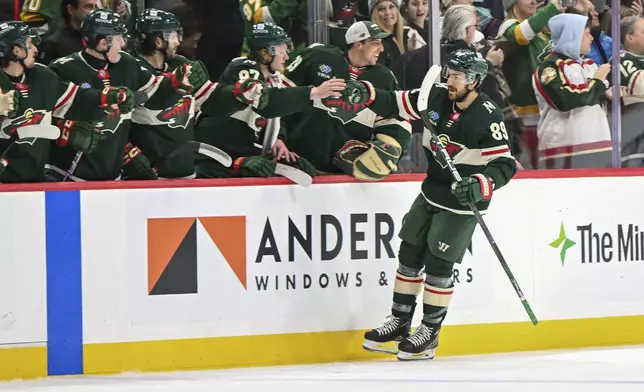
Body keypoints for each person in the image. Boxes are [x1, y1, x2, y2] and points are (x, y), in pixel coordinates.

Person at [361, 49, 517, 360]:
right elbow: (396, 101)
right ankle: (400, 322)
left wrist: (480, 184)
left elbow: (504, 164)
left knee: (438, 264)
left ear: (474, 80)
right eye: (449, 74)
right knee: (409, 252)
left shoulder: (487, 114)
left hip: (462, 202)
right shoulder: (436, 97)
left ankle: (429, 332)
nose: (450, 80)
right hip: (431, 191)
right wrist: (365, 93)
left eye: (457, 76)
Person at [46, 8, 262, 181]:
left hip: (112, 177)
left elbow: (155, 94)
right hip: (68, 174)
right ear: (102, 42)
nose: (123, 44)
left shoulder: (126, 64)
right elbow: (40, 109)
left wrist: (177, 83)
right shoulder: (65, 68)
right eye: (119, 38)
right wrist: (63, 128)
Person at [195, 22, 347, 179]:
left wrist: (278, 141)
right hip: (212, 159)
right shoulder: (243, 68)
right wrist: (313, 92)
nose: (287, 57)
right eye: (282, 52)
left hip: (234, 159)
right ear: (266, 53)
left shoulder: (274, 79)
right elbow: (266, 103)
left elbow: (277, 111)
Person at [130, 8, 261, 179]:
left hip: (185, 172)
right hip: (148, 176)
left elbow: (210, 98)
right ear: (158, 41)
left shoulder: (181, 63)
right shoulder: (131, 68)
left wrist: (238, 95)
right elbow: (117, 118)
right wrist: (129, 154)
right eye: (174, 35)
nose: (178, 41)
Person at [0, 20, 134, 183]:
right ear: (15, 51)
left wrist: (105, 97)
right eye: (29, 44)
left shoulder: (42, 77)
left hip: (34, 180)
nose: (35, 49)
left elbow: (74, 99)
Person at [281, 21, 411, 180]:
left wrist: (387, 152)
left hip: (349, 177)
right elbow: (280, 97)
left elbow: (397, 122)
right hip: (297, 165)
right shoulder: (317, 57)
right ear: (358, 44)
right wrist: (278, 138)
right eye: (376, 43)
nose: (382, 49)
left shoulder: (384, 78)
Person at [533, 13, 614, 169]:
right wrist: (597, 83)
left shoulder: (589, 64)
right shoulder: (549, 67)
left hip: (597, 141)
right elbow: (564, 100)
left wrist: (606, 93)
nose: (591, 38)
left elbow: (589, 96)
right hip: (565, 147)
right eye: (587, 33)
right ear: (573, 36)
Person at [38, 0, 98, 66]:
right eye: (88, 7)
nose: (94, 12)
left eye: (96, 7)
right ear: (71, 9)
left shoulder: (99, 39)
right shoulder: (53, 43)